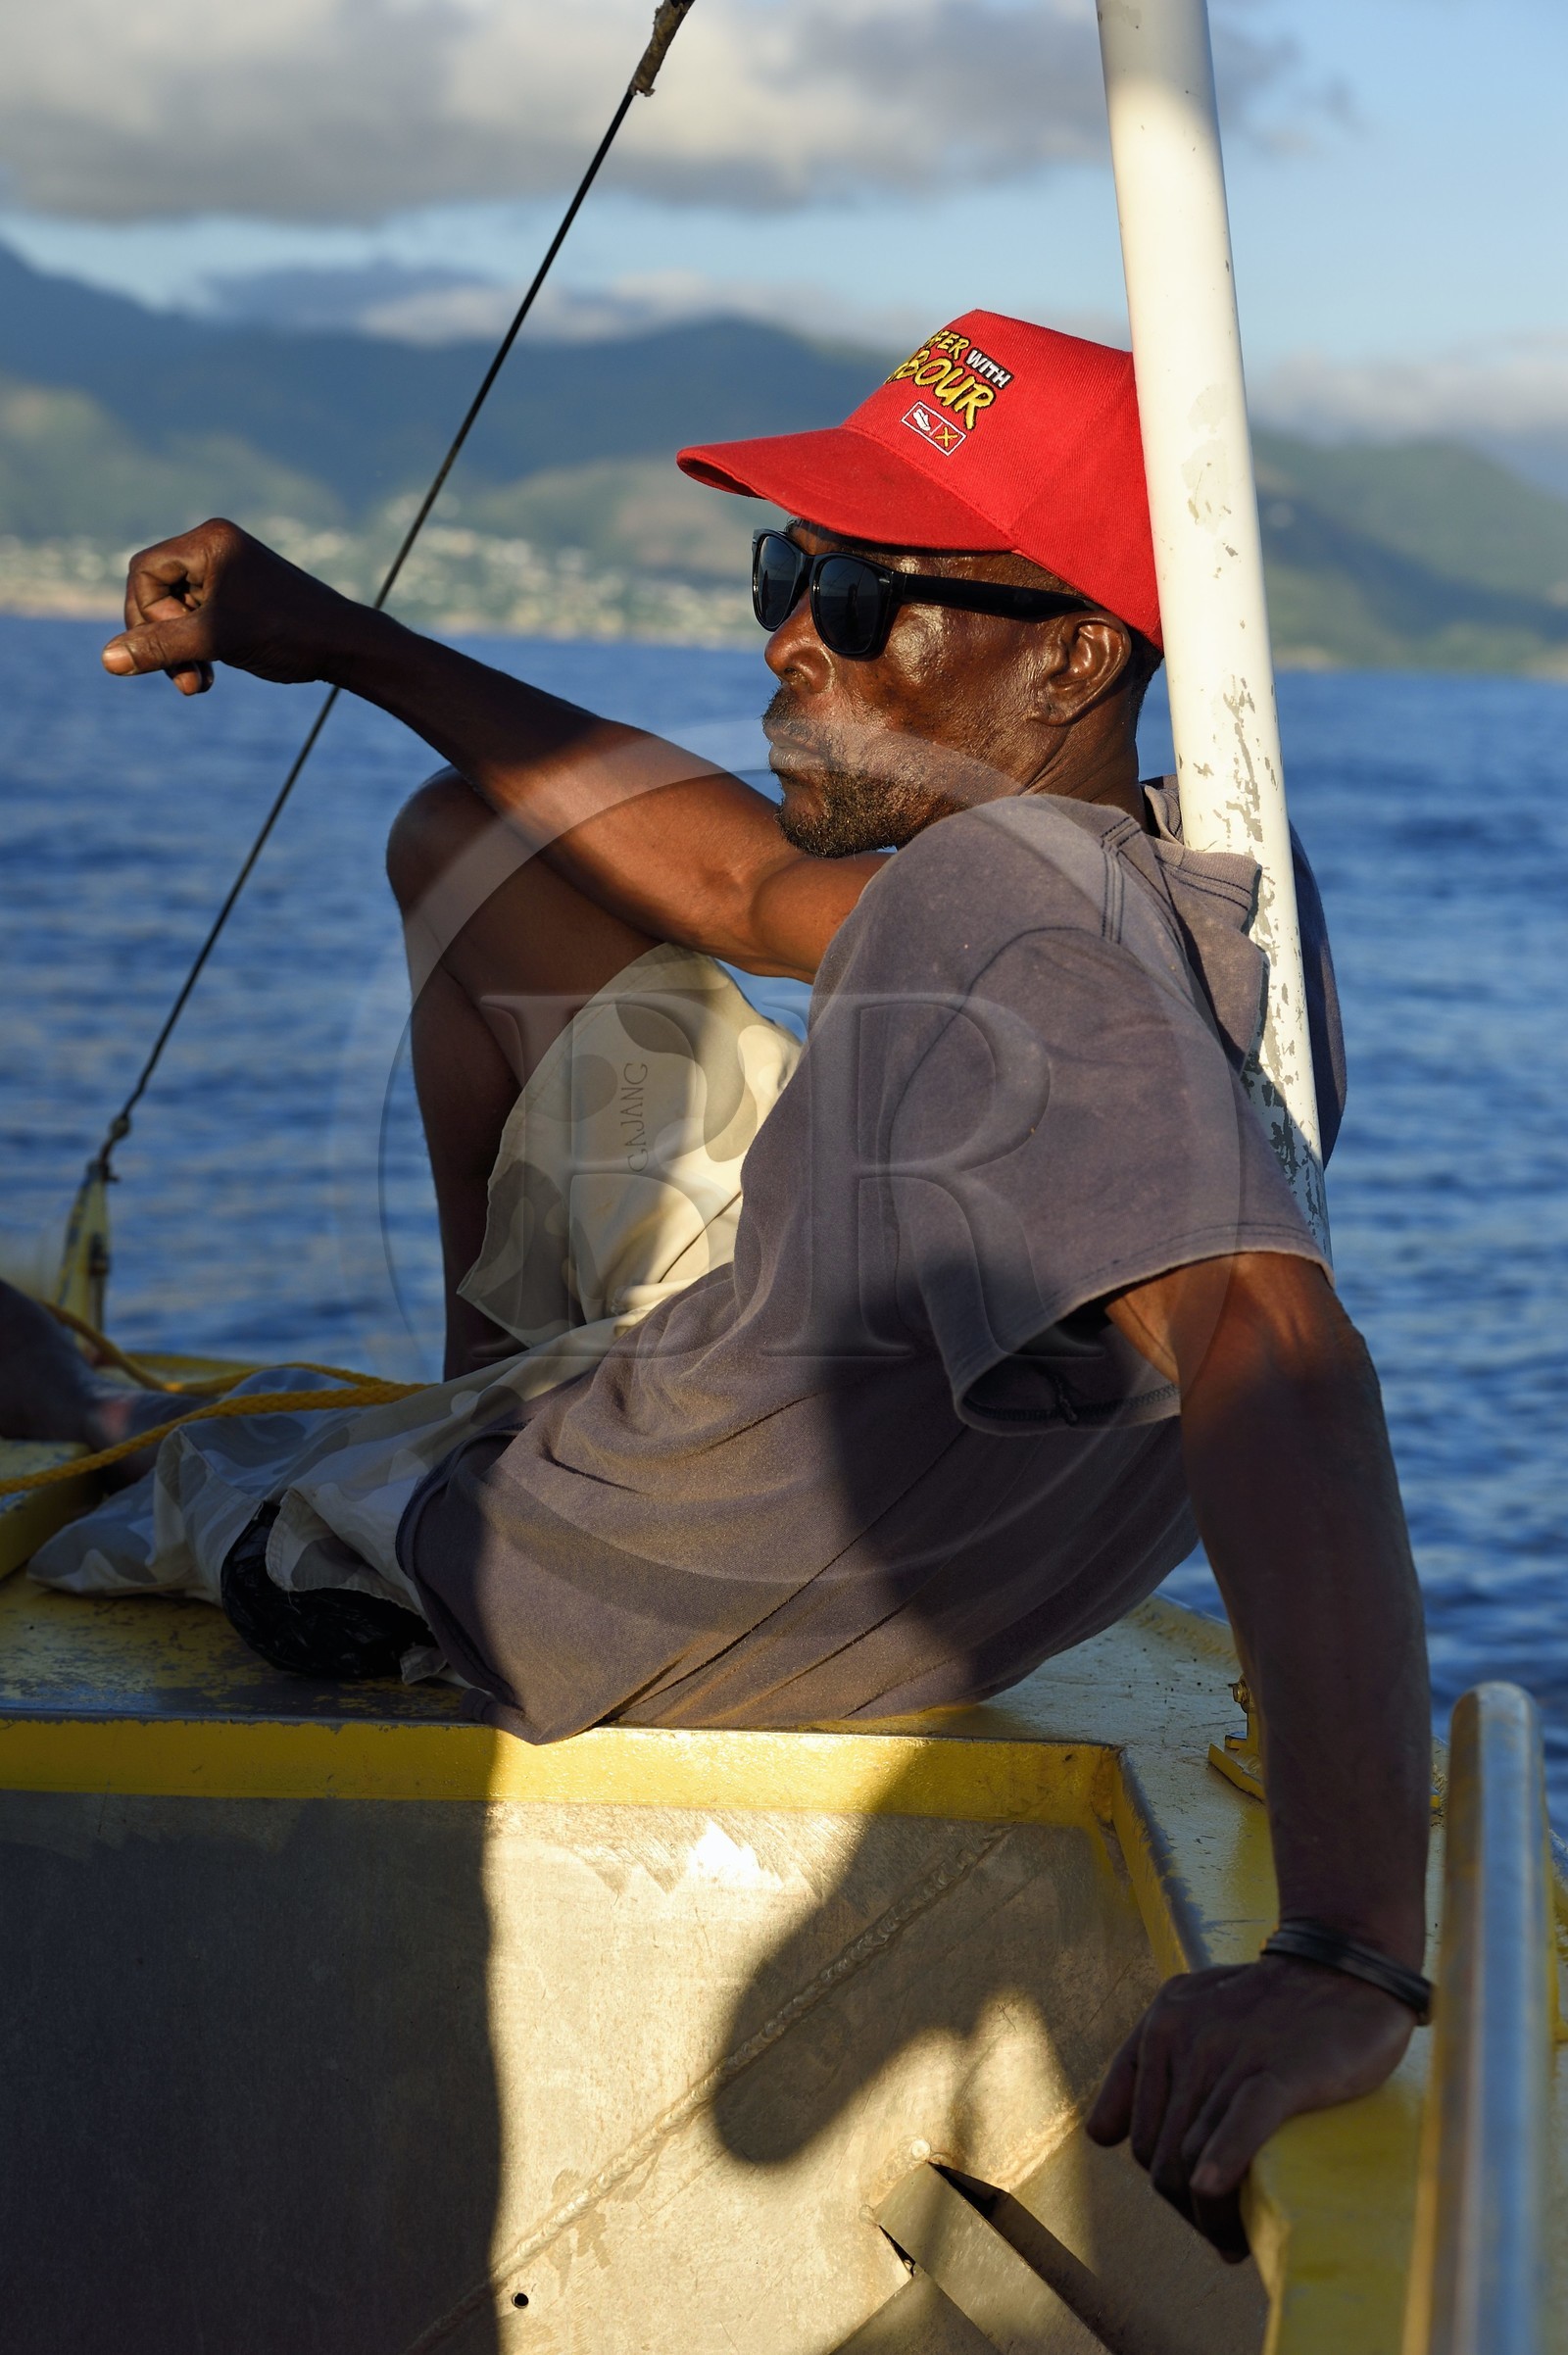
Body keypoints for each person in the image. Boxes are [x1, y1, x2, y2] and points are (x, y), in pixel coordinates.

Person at [0, 313, 1430, 2257]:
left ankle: (436, 1499)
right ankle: (498, 1399)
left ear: (1074, 651)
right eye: (784, 571)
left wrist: (1344, 1947)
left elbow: (1275, 1343)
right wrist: (344, 637)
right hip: (899, 1527)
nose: (786, 635)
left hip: (621, 1593)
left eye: (851, 593)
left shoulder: (1012, 931)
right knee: (480, 841)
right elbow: (745, 895)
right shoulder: (1179, 864)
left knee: (62, 1436)